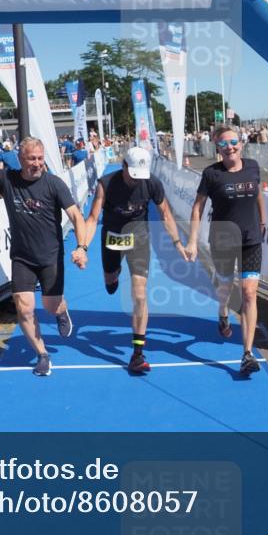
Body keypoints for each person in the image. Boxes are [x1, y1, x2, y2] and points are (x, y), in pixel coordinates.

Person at [0, 138, 86, 377]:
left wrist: (81, 247)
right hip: (22, 257)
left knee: (51, 305)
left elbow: (76, 216)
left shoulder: (54, 184)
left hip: (50, 256)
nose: (37, 163)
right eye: (32, 159)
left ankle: (61, 312)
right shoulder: (6, 179)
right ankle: (42, 354)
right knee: (24, 307)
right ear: (20, 159)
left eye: (40, 158)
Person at [82, 146, 189, 374]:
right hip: (112, 238)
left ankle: (138, 353)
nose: (136, 180)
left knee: (140, 294)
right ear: (123, 167)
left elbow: (165, 214)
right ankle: (113, 275)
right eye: (132, 175)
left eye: (140, 176)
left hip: (139, 239)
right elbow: (92, 219)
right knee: (110, 283)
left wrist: (177, 243)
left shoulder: (152, 183)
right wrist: (82, 247)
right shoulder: (106, 184)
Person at [186, 125, 266, 376]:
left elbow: (258, 194)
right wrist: (192, 241)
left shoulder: (252, 166)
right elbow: (197, 207)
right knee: (226, 288)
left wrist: (263, 220)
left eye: (233, 142)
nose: (230, 147)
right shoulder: (212, 174)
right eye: (223, 144)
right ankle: (222, 312)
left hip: (251, 239)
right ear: (217, 148)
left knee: (249, 293)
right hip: (222, 240)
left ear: (241, 143)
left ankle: (247, 354)